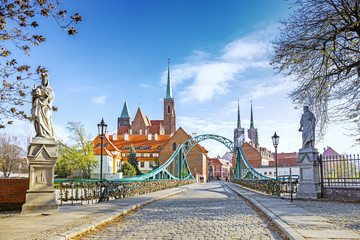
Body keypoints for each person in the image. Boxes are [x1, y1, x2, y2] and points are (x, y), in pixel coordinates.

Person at [31, 73, 55, 138]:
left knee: (47, 118)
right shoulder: (38, 88)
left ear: (47, 81)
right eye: (43, 80)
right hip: (39, 105)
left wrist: (48, 95)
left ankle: (48, 134)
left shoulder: (50, 89)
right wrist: (35, 93)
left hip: (46, 105)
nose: (44, 81)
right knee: (39, 118)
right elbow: (34, 96)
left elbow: (52, 97)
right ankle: (40, 133)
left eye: (45, 80)